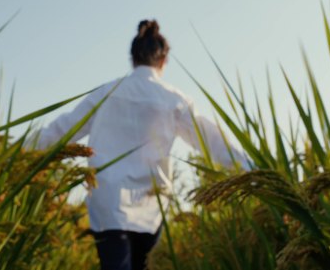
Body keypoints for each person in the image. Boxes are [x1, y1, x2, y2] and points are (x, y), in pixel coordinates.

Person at [33, 20, 249, 270]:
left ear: (132, 58)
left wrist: (17, 152)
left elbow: (63, 129)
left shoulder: (106, 92)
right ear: (164, 61)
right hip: (150, 208)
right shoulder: (173, 99)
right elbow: (210, 138)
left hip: (109, 204)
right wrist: (249, 167)